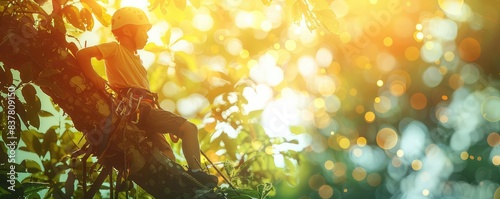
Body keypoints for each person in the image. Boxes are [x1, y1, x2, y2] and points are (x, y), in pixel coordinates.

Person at [76, 6, 217, 188]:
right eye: (144, 31)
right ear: (128, 30)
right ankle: (197, 174)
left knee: (168, 157)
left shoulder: (137, 61)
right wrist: (95, 78)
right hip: (139, 110)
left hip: (145, 110)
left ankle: (181, 183)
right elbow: (82, 54)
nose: (148, 36)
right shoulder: (114, 49)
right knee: (189, 129)